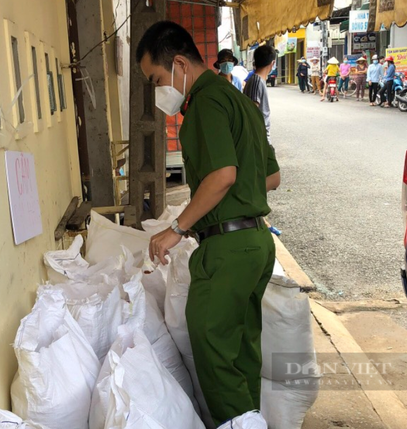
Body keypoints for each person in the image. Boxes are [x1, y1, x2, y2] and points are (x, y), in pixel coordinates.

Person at [136, 21, 280, 425]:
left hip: (228, 250)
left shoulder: (204, 104)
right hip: (257, 243)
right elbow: (270, 176)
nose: (158, 90)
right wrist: (232, 194)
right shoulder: (241, 102)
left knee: (214, 355)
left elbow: (222, 176)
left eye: (157, 78)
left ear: (180, 63)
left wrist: (176, 228)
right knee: (242, 353)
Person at [244, 45, 276, 144]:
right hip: (259, 139)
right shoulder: (256, 81)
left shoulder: (258, 80)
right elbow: (251, 113)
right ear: (272, 63)